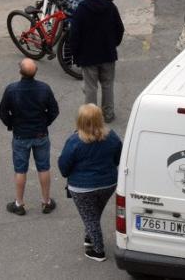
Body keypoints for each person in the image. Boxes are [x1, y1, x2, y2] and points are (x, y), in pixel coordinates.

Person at [58, 103, 123, 263]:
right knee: (94, 213)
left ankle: (98, 250)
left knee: (90, 218)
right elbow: (118, 158)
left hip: (82, 187)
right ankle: (89, 236)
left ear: (80, 121)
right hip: (108, 184)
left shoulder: (75, 141)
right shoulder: (112, 136)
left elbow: (64, 167)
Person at [0, 58, 59, 216]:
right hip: (40, 133)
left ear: (20, 72)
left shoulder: (11, 90)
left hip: (20, 135)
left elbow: (2, 112)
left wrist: (12, 124)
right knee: (44, 167)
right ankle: (46, 202)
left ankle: (19, 203)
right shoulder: (44, 89)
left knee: (20, 169)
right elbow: (54, 111)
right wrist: (44, 123)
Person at [70, 0, 125, 122]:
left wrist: (76, 56)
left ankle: (91, 118)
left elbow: (74, 35)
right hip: (107, 53)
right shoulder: (110, 6)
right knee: (108, 85)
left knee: (90, 88)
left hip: (88, 56)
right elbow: (120, 29)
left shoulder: (81, 9)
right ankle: (108, 114)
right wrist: (113, 44)